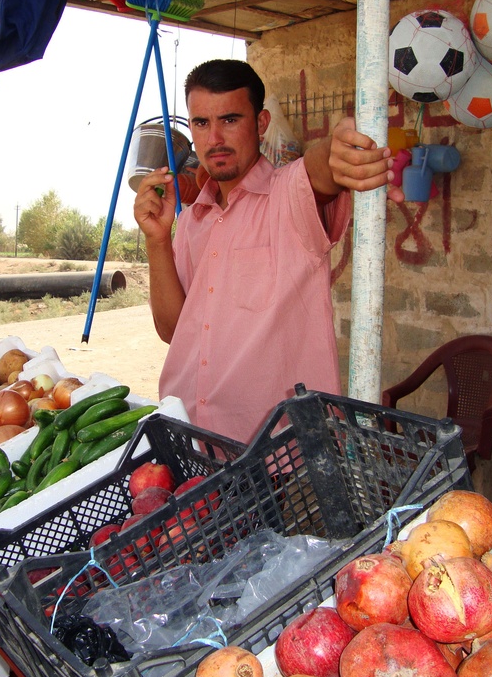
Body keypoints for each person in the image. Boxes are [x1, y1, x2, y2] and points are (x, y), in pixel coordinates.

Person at [133, 59, 404, 444]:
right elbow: (173, 331)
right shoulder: (193, 221)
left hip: (279, 461)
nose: (214, 139)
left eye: (229, 120)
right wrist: (157, 240)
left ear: (260, 124)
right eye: (201, 123)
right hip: (189, 437)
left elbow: (318, 170)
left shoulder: (288, 196)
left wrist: (335, 150)